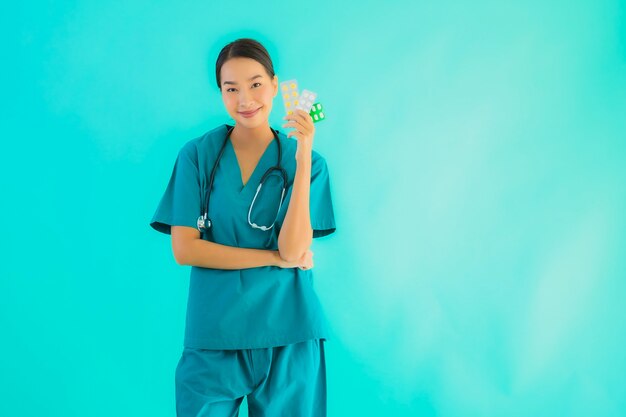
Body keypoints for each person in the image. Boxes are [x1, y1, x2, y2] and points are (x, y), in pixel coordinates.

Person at [149, 38, 336, 417]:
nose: (245, 99)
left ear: (274, 84)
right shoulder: (197, 156)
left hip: (289, 331)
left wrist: (301, 156)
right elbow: (185, 249)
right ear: (220, 92)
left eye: (255, 85)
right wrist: (270, 258)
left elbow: (293, 250)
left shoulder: (309, 163)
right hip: (214, 334)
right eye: (230, 89)